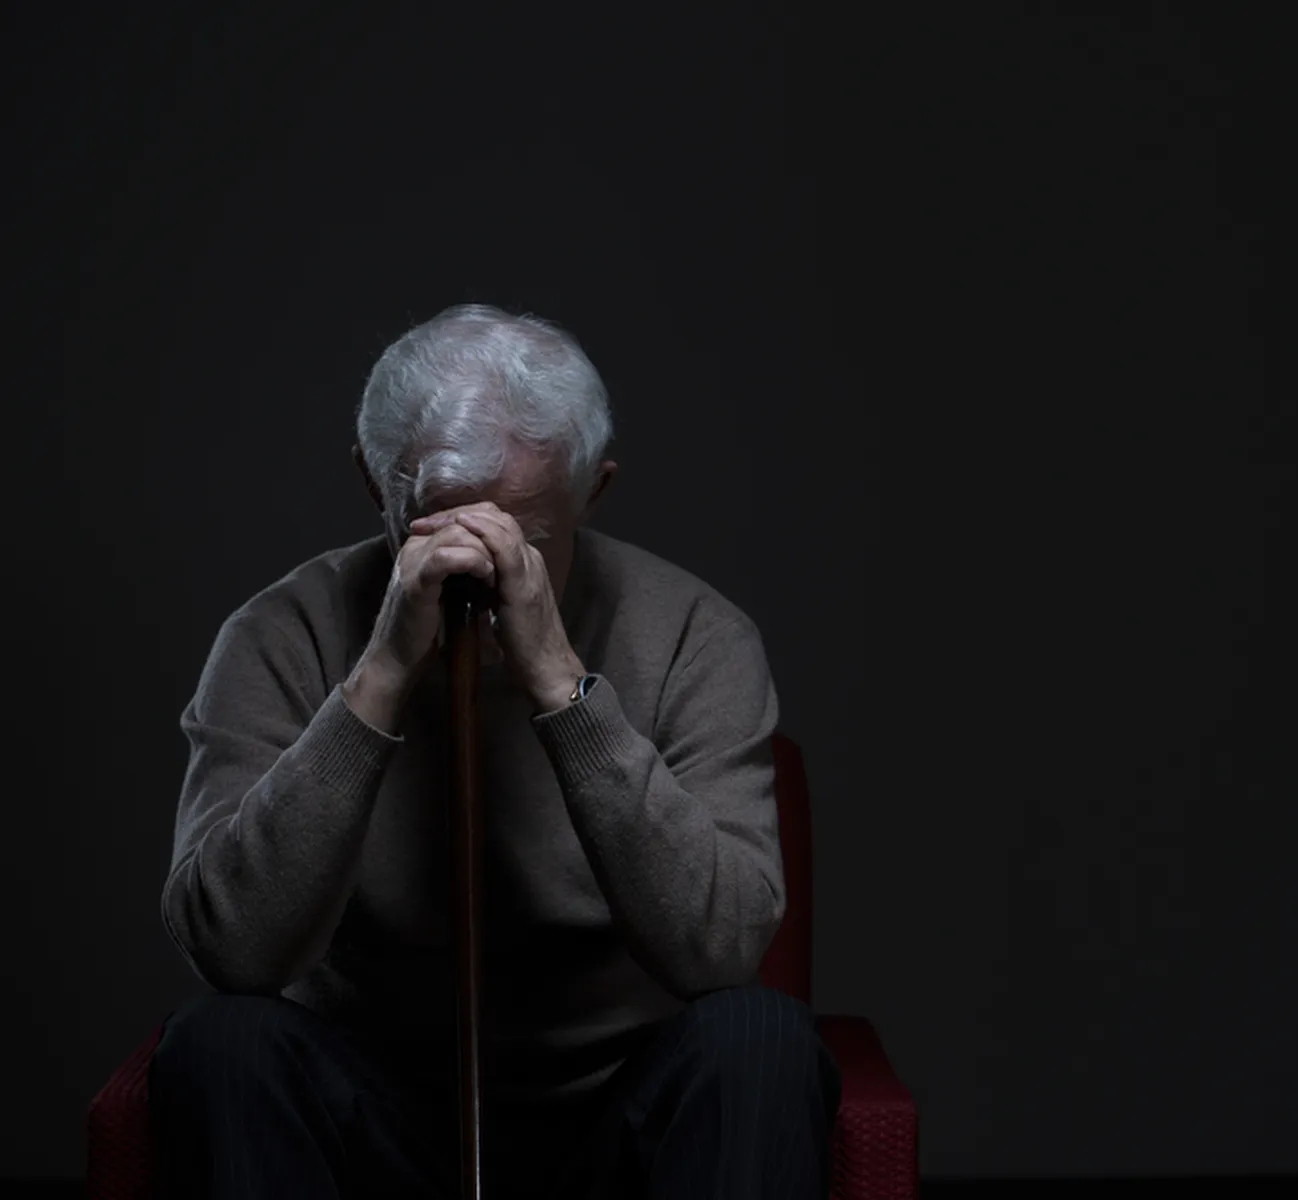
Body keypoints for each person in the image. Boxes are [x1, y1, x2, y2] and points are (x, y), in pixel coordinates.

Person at [149, 303, 839, 1199]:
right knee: (221, 1045)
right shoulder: (279, 634)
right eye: (434, 527)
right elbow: (234, 953)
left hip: (620, 1121)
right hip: (367, 1118)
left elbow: (720, 950)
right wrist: (381, 674)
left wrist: (560, 683)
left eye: (528, 535)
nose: (477, 563)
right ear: (374, 484)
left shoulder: (696, 636)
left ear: (594, 490)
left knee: (761, 1041)